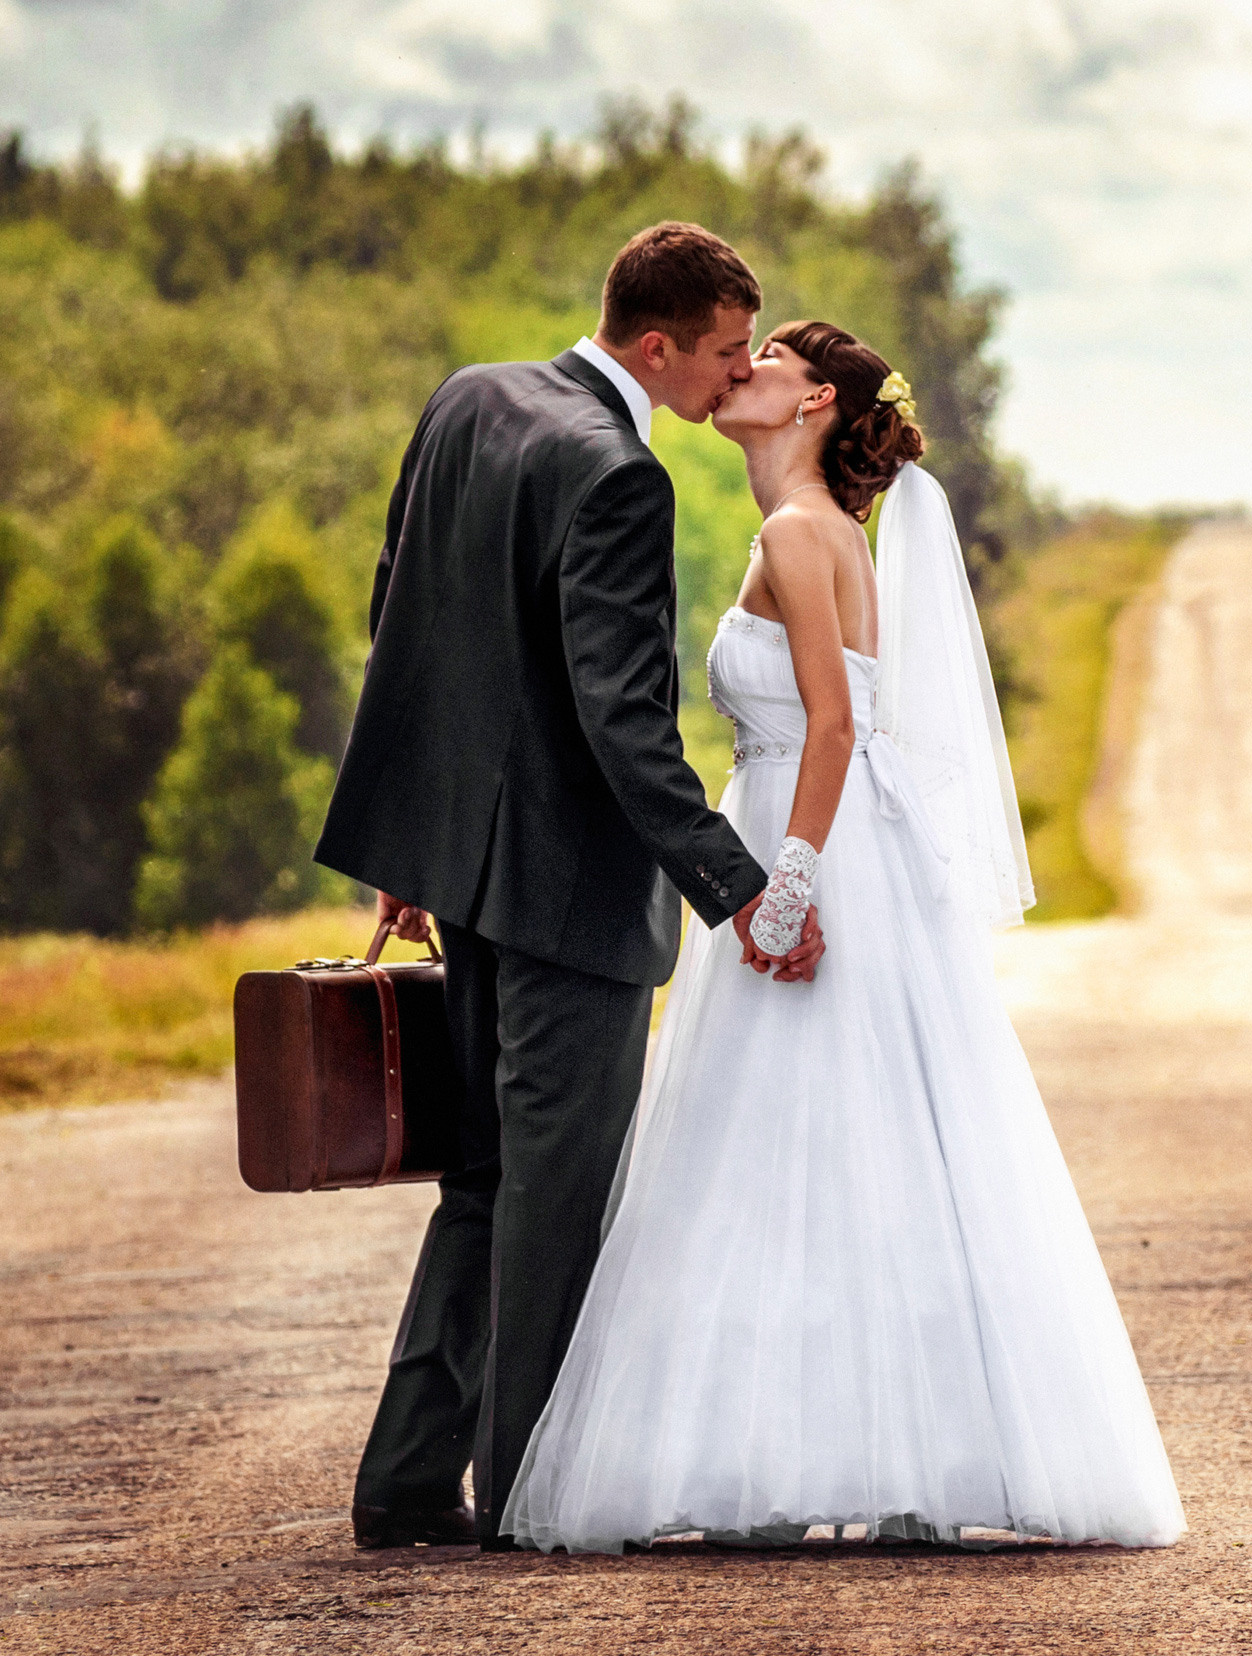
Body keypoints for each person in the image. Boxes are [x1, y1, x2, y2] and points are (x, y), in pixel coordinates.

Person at [498, 322, 1186, 1553]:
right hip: (809, 833)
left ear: (813, 399)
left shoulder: (797, 532)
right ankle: (888, 1448)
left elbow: (829, 729)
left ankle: (781, 1453)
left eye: (760, 358)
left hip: (806, 836)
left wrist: (784, 888)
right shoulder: (821, 531)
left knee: (784, 1144)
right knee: (841, 1140)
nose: (738, 370)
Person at [315, 222, 824, 1552]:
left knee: (481, 1183)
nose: (730, 376)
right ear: (657, 346)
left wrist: (412, 852)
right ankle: (530, 1491)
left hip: (471, 881)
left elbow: (402, 616)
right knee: (551, 1196)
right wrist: (740, 888)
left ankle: (410, 1480)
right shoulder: (616, 474)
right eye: (720, 354)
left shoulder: (470, 400)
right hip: (567, 906)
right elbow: (624, 724)